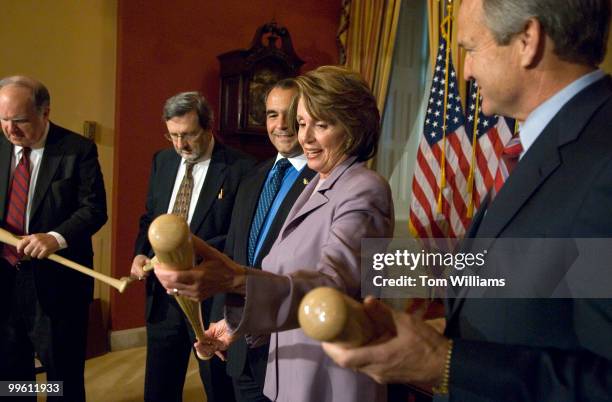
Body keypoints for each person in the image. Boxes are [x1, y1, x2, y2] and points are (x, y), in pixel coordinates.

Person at [321, 0, 612, 401]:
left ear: (528, 41)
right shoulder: (533, 147)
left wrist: (441, 361)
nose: (466, 71)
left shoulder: (603, 161)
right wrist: (433, 338)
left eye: (471, 49)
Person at [154, 66, 394, 402]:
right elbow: (281, 272)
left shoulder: (364, 189)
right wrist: (238, 324)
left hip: (328, 379)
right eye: (303, 123)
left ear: (353, 128)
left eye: (320, 125)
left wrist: (235, 281)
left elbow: (330, 287)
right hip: (285, 371)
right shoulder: (319, 181)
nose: (305, 137)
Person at [130, 91, 254, 402]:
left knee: (216, 386)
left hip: (208, 296)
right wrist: (141, 252)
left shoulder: (241, 168)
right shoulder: (163, 160)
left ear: (209, 128)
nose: (180, 145)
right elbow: (150, 217)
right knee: (159, 387)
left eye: (189, 135)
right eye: (173, 135)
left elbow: (237, 237)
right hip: (162, 292)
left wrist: (189, 255)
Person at [0, 76, 108, 402]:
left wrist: (55, 237)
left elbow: (94, 209)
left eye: (19, 121)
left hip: (58, 286)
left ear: (45, 112)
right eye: (3, 119)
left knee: (62, 378)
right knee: (10, 375)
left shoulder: (78, 150)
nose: (10, 130)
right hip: (5, 282)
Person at [213, 78, 315, 401]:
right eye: (272, 115)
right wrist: (223, 317)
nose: (281, 125)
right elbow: (232, 254)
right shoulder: (252, 176)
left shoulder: (323, 183)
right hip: (241, 345)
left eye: (290, 114)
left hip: (288, 347)